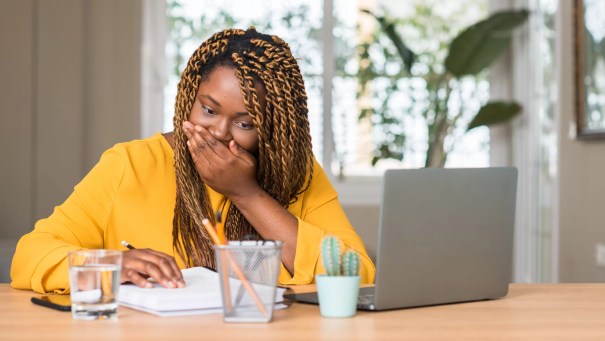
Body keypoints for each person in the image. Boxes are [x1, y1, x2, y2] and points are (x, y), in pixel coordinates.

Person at [11, 27, 375, 294]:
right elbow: (29, 256)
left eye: (245, 123)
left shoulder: (297, 173)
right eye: (209, 109)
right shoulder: (131, 164)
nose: (219, 132)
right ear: (189, 97)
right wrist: (111, 264)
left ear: (271, 129)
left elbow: (356, 274)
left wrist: (246, 194)